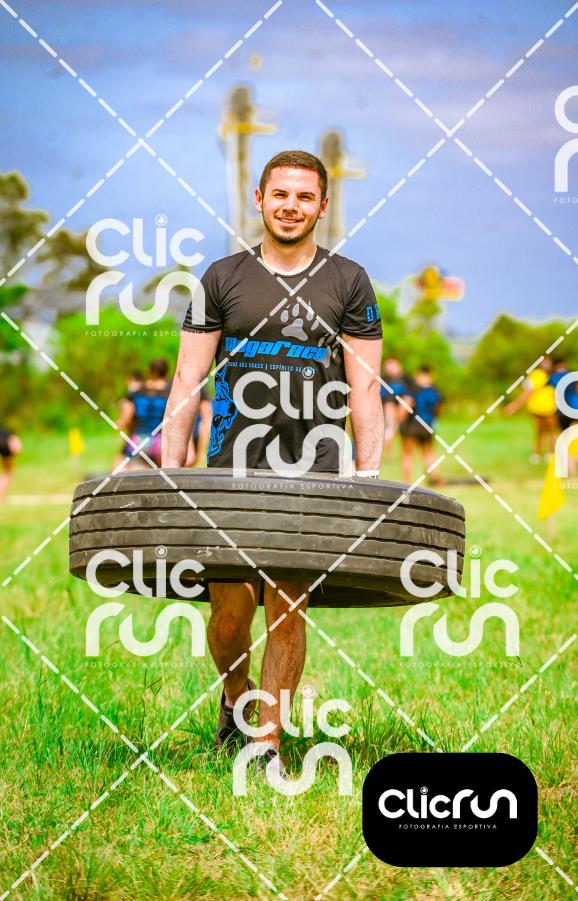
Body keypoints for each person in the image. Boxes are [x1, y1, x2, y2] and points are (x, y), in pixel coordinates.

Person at [162, 149, 383, 771]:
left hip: (313, 471)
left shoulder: (349, 281)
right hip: (231, 467)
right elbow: (187, 380)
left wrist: (368, 479)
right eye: (280, 194)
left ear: (323, 206)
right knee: (230, 611)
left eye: (305, 196)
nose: (291, 206)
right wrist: (172, 475)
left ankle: (267, 743)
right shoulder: (222, 277)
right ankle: (235, 698)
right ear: (259, 200)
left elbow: (365, 386)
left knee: (288, 605)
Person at [118, 359, 172, 467]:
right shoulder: (170, 393)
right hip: (159, 442)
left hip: (138, 439)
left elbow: (127, 415)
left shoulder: (137, 392)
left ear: (149, 371)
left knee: (119, 465)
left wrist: (121, 424)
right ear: (166, 372)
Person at [504, 356, 556, 463]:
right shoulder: (535, 375)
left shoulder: (554, 376)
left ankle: (551, 453)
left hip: (550, 409)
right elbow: (528, 392)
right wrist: (515, 405)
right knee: (539, 432)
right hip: (537, 409)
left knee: (551, 432)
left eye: (548, 362)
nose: (546, 365)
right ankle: (536, 454)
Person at [401, 365, 442, 484]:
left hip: (412, 425)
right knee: (428, 452)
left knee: (407, 454)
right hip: (428, 425)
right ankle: (436, 479)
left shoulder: (413, 390)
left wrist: (399, 420)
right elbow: (438, 411)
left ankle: (406, 481)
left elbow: (405, 407)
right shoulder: (435, 392)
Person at [380, 358, 413, 458]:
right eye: (388, 367)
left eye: (393, 366)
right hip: (388, 409)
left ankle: (392, 430)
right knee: (389, 406)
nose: (391, 369)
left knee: (406, 401)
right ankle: (391, 431)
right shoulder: (383, 380)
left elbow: (413, 394)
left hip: (404, 409)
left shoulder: (407, 379)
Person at [0, 426, 22, 503]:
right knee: (7, 472)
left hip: (5, 442)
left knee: (7, 471)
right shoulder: (8, 434)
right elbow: (18, 448)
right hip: (5, 441)